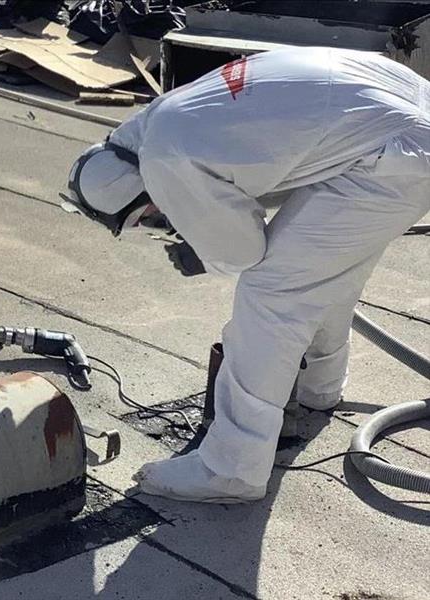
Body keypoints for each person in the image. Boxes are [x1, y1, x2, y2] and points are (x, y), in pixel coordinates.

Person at [63, 47, 429, 503]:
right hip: (399, 112)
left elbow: (243, 252)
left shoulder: (163, 159)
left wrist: (202, 251)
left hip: (388, 154)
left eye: (150, 216)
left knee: (272, 293)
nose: (161, 221)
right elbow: (270, 170)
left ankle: (231, 469)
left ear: (144, 189)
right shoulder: (166, 117)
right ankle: (319, 388)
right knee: (326, 272)